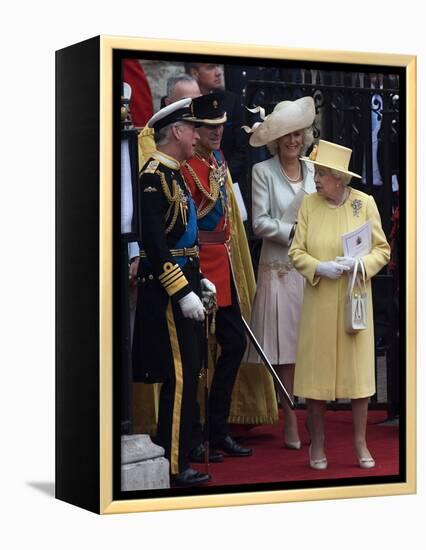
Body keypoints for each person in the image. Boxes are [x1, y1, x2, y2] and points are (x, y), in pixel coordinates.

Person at [288, 139, 390, 470]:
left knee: (358, 378)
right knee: (317, 378)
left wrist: (360, 265)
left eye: (321, 173)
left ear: (339, 177)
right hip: (320, 300)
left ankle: (360, 443)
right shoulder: (308, 205)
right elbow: (296, 252)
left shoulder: (365, 203)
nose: (315, 178)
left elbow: (382, 250)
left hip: (354, 300)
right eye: (315, 172)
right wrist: (320, 267)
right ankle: (317, 442)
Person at [132, 98, 217, 487]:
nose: (199, 135)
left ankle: (183, 451)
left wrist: (197, 279)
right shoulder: (152, 176)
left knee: (191, 370)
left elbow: (183, 237)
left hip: (185, 282)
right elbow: (153, 240)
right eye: (193, 128)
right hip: (168, 294)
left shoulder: (177, 173)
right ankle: (173, 465)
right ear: (178, 132)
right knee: (179, 376)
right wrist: (181, 290)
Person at [181, 92, 254, 460]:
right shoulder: (186, 165)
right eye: (210, 127)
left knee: (234, 344)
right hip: (198, 261)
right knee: (196, 357)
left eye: (221, 126)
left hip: (222, 262)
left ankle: (218, 426)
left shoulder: (219, 159)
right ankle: (193, 435)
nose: (218, 132)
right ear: (195, 129)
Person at [243, 97, 316, 449]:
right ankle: (290, 417)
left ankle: (312, 415)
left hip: (311, 269)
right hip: (280, 268)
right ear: (276, 139)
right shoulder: (263, 172)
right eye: (287, 134)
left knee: (310, 345)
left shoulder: (315, 171)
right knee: (286, 350)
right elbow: (259, 223)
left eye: (298, 134)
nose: (293, 140)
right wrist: (294, 231)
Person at [185, 62, 248, 197]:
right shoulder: (184, 103)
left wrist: (221, 177)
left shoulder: (232, 100)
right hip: (192, 178)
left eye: (218, 66)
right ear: (195, 73)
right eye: (210, 67)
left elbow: (242, 148)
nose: (218, 72)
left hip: (228, 179)